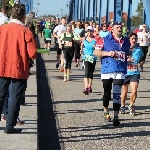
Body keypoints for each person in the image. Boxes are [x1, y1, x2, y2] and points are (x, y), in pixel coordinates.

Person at [0, 4, 37, 133]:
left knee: (0, 95)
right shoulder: (26, 31)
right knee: (14, 98)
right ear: (23, 16)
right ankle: (9, 127)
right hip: (18, 68)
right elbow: (32, 53)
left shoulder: (2, 29)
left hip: (2, 66)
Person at [94, 22, 131, 126]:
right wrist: (107, 53)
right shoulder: (104, 39)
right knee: (107, 94)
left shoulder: (126, 40)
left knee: (117, 94)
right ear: (112, 29)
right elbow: (96, 52)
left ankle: (116, 116)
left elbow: (129, 52)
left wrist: (128, 57)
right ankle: (105, 110)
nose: (119, 29)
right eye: (117, 27)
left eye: (121, 27)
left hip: (120, 70)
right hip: (107, 70)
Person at [120, 33, 143, 115]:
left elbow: (141, 60)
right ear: (129, 39)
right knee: (124, 92)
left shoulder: (139, 50)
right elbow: (119, 58)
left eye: (135, 39)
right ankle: (122, 105)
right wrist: (127, 59)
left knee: (134, 91)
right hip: (125, 73)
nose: (134, 40)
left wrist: (140, 64)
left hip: (135, 72)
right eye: (132, 38)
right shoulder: (124, 49)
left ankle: (131, 105)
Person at [81, 26, 96, 94]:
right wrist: (81, 50)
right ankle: (86, 87)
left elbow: (98, 48)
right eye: (88, 31)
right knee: (86, 72)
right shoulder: (84, 39)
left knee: (91, 73)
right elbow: (82, 45)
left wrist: (95, 48)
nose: (89, 33)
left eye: (91, 31)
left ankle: (89, 86)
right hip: (86, 57)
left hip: (93, 57)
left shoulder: (95, 40)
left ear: (93, 32)